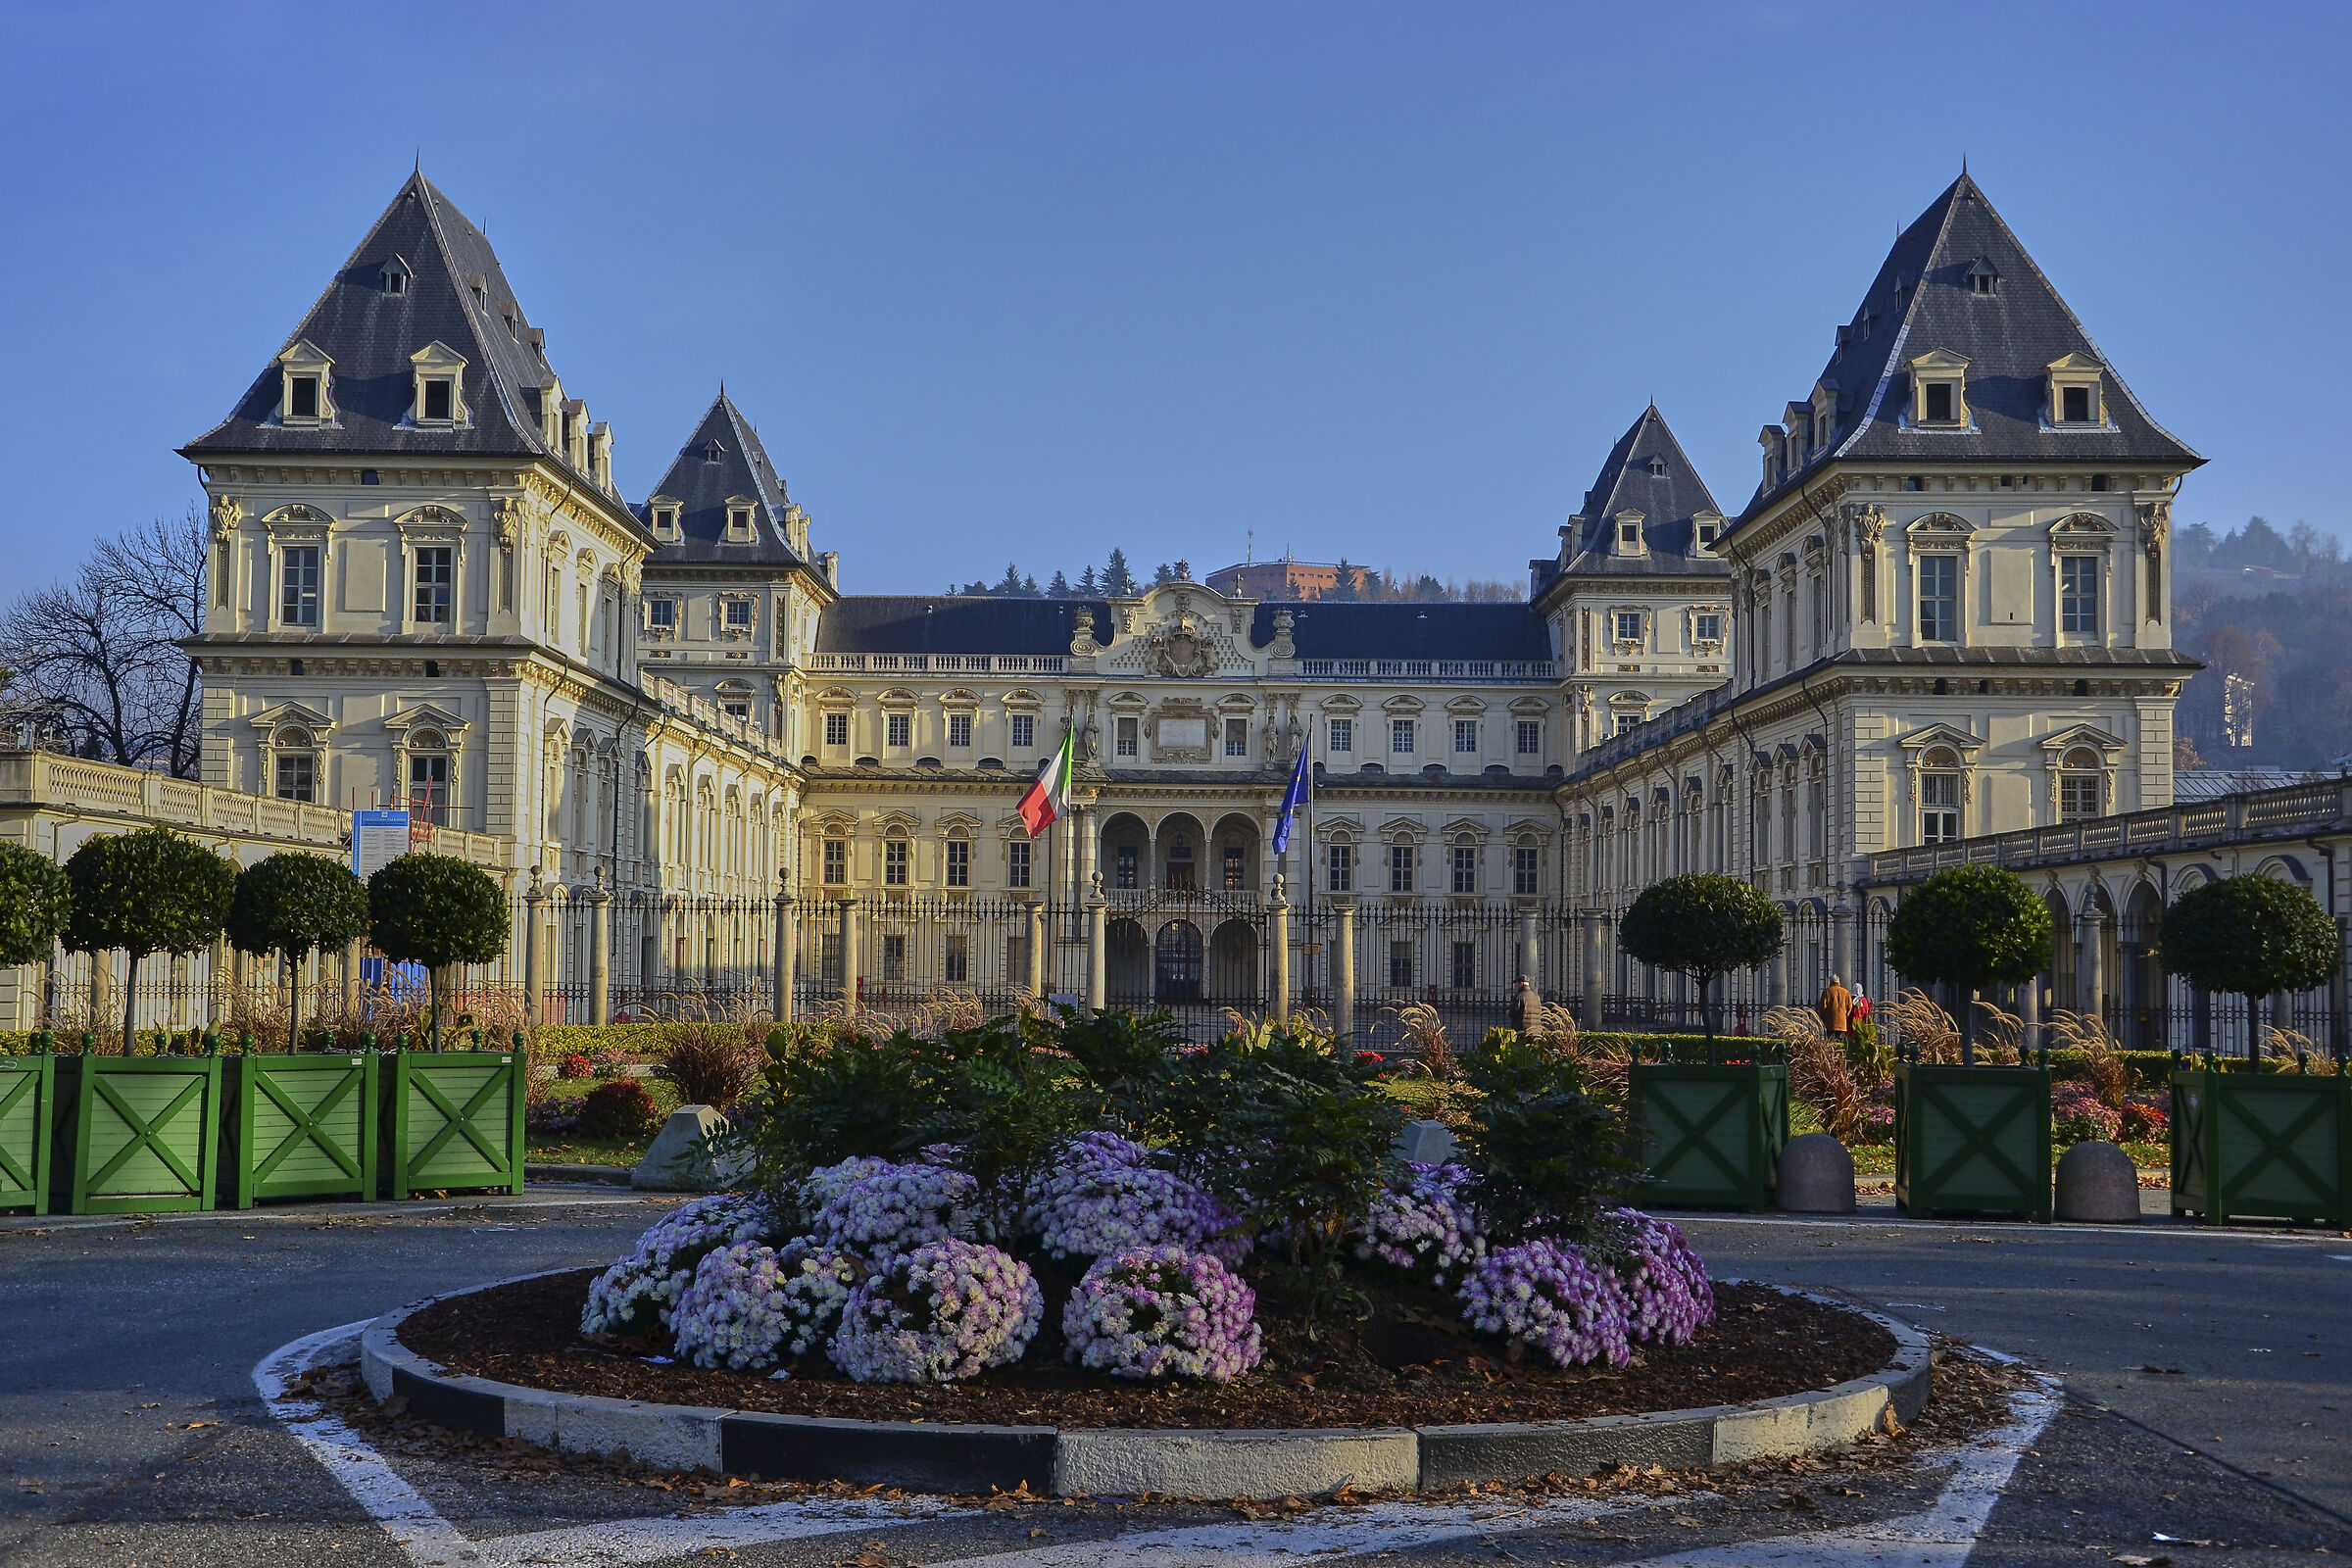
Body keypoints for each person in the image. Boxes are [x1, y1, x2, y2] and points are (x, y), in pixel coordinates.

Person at [1818, 972, 1853, 1039]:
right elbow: (1850, 1007)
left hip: (1830, 1023)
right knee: (1841, 1043)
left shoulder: (1827, 992)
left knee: (1831, 1042)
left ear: (1831, 982)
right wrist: (1845, 1015)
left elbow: (1823, 1006)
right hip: (1843, 1024)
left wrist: (1822, 1016)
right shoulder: (1846, 992)